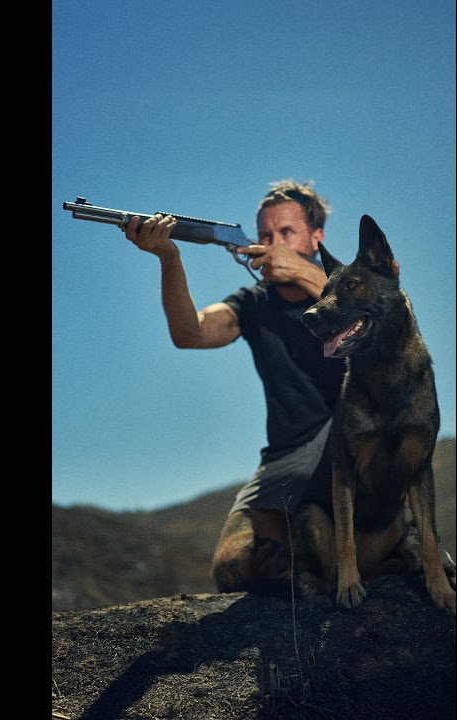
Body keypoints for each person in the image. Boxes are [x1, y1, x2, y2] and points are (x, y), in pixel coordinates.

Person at [123, 179, 343, 593]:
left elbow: (384, 331)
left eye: (286, 233)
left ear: (317, 238)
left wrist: (303, 272)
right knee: (233, 569)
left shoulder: (351, 287)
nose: (273, 244)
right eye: (265, 235)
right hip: (286, 458)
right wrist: (169, 256)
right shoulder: (254, 302)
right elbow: (189, 333)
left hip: (352, 446)